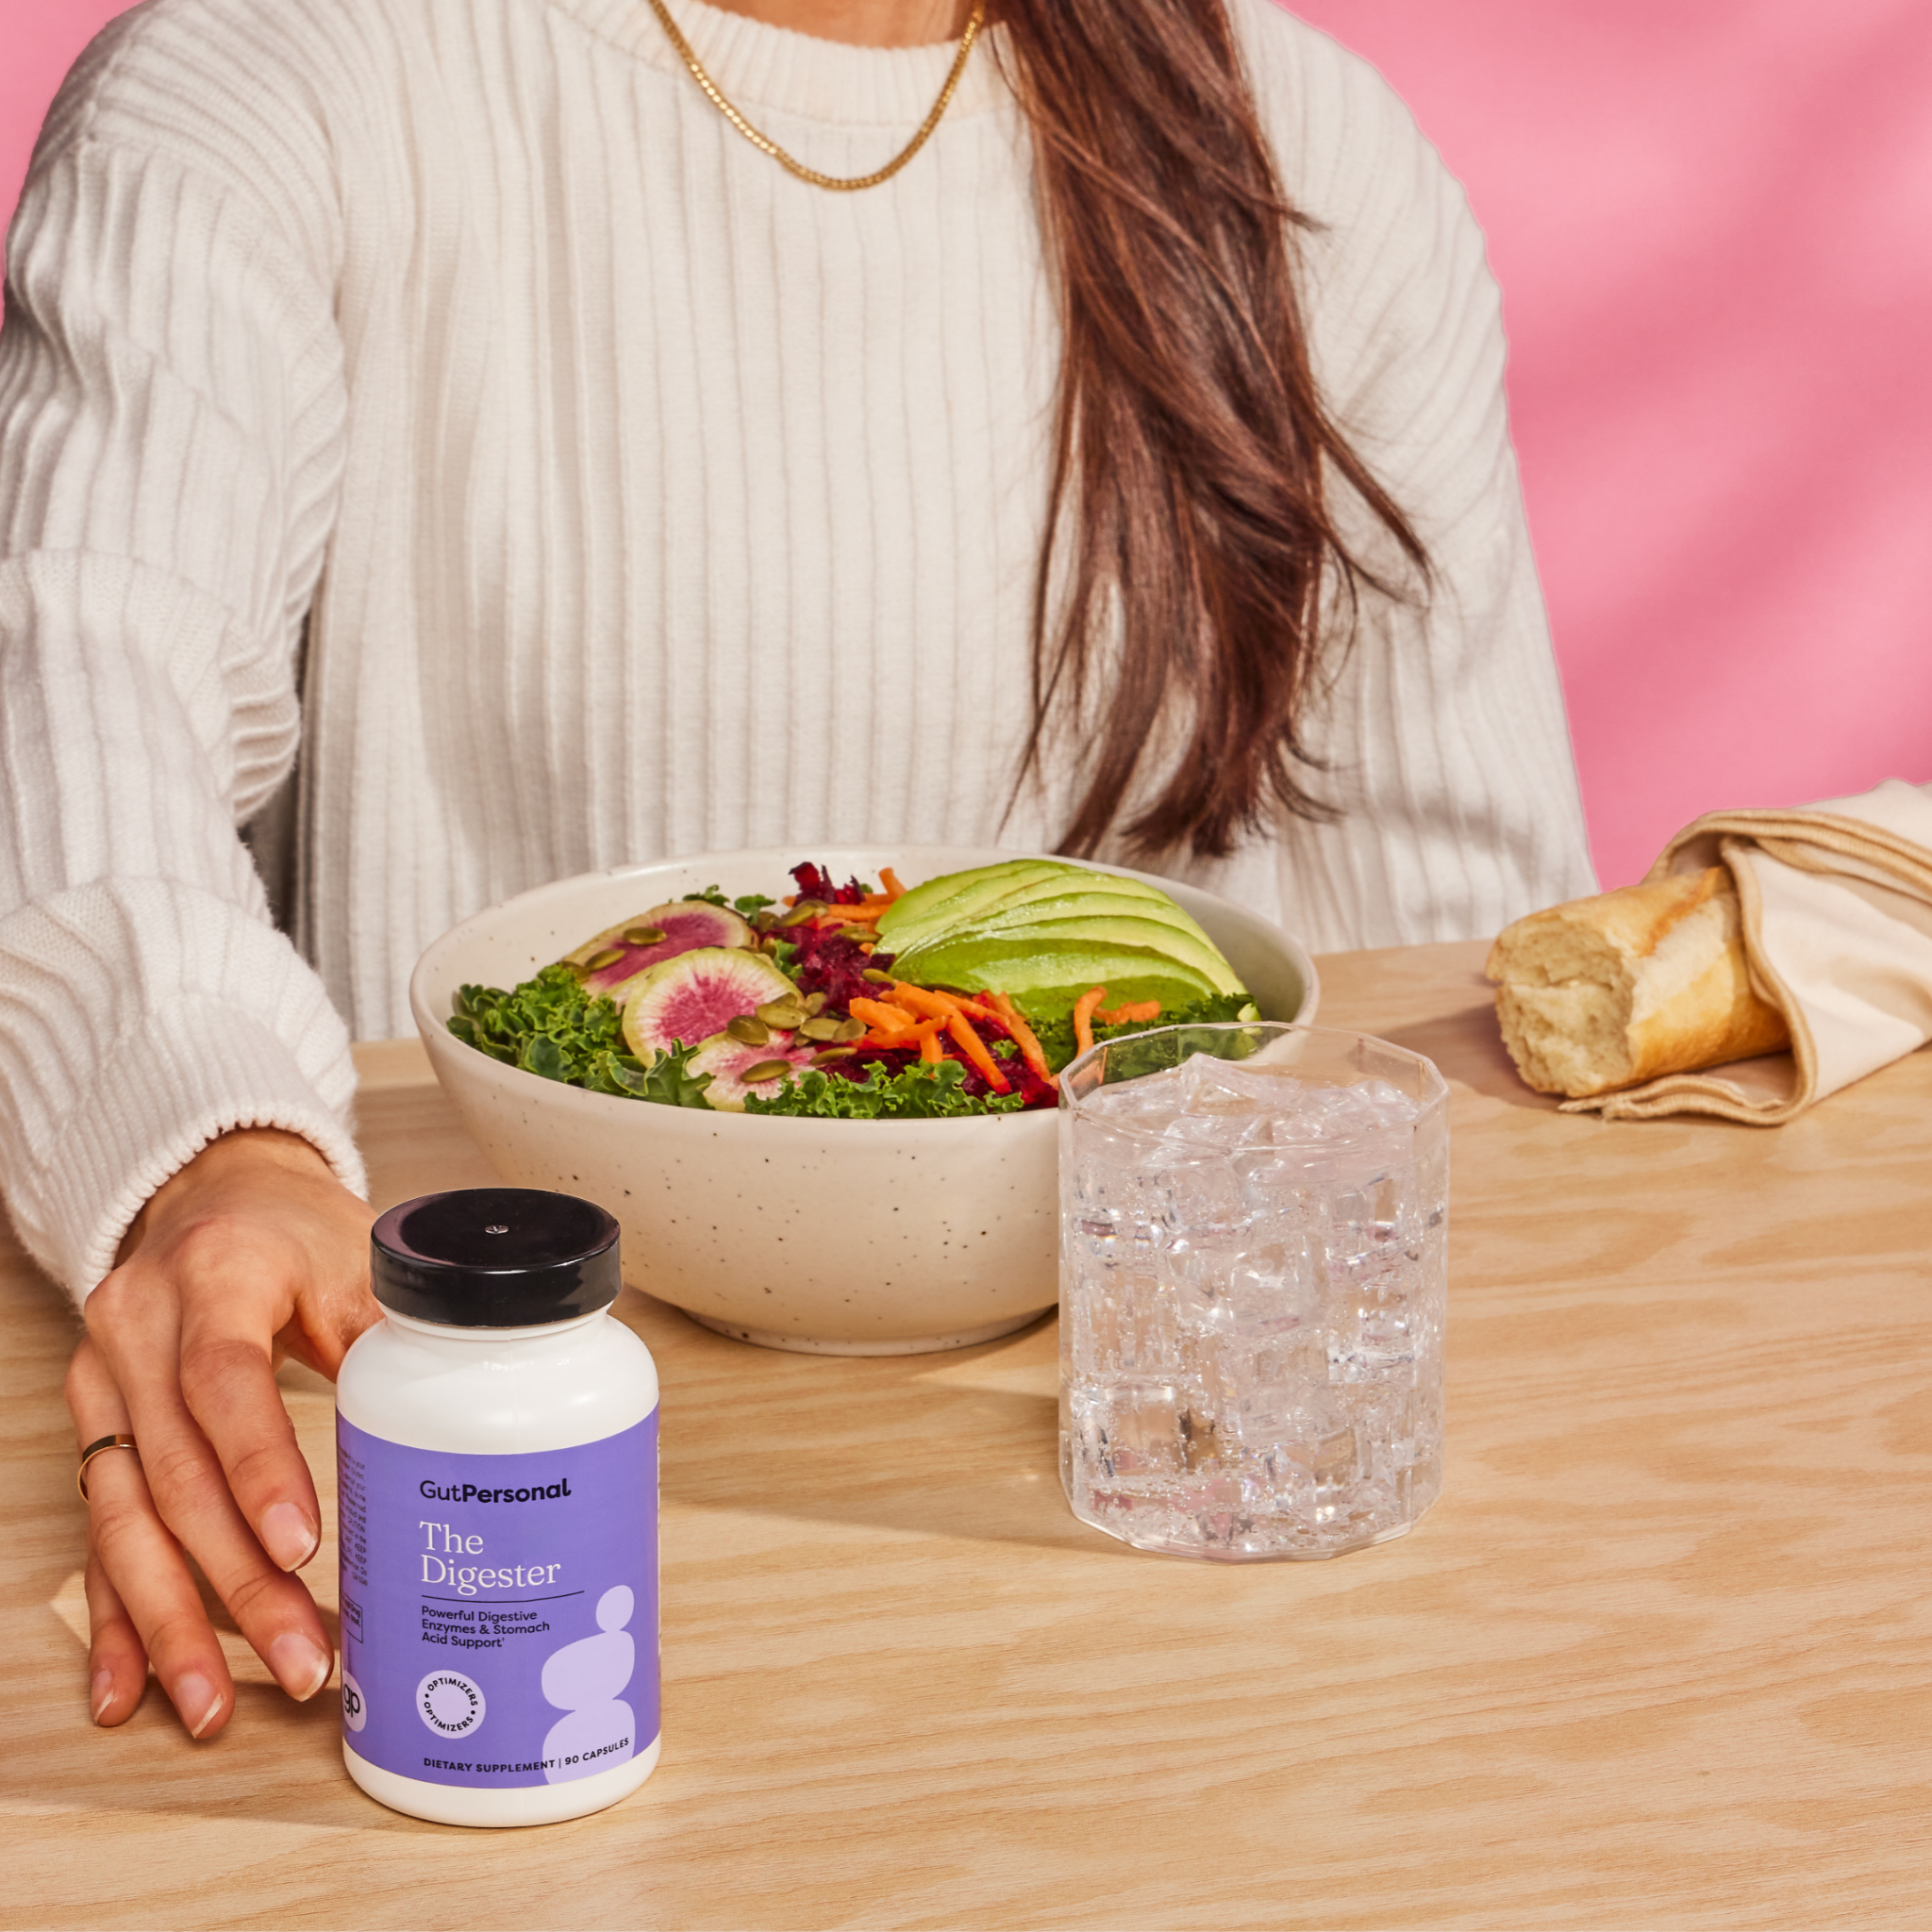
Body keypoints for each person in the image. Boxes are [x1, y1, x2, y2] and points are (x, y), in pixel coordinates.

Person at [0, 0, 1594, 1739]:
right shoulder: (286, 74)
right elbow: (77, 682)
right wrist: (217, 1161)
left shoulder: (1308, 151)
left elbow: (1451, 980)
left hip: (1130, 1561)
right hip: (515, 1503)